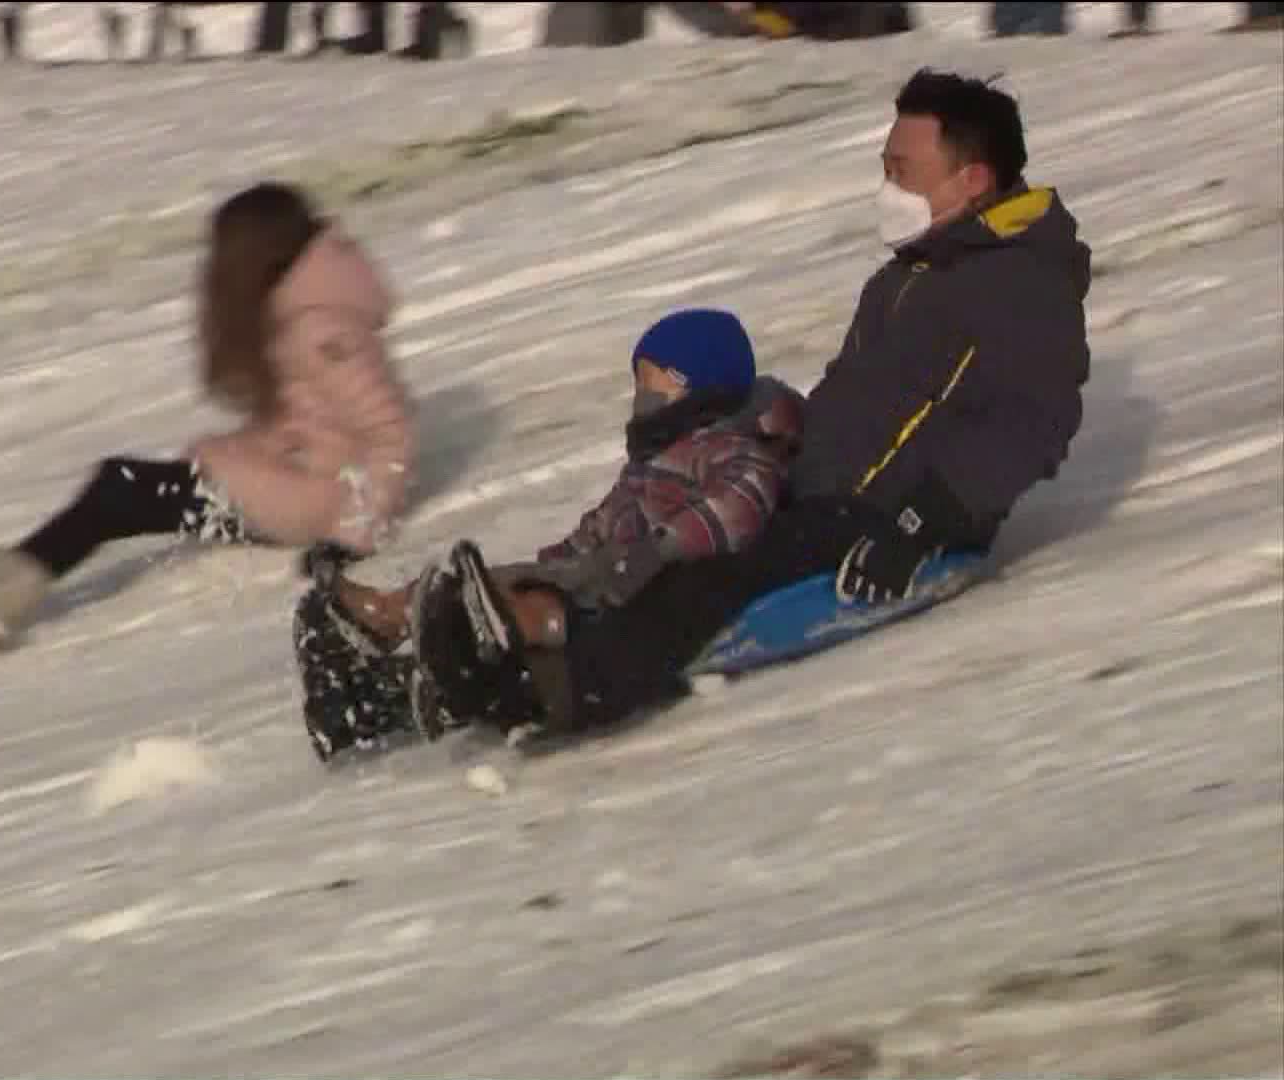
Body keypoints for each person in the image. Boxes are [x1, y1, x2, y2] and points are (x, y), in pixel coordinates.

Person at [410, 68, 1092, 741]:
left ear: (971, 181)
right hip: (815, 486)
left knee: (704, 577)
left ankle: (565, 680)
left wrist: (923, 522)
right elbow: (855, 397)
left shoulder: (1021, 284)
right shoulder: (907, 275)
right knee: (656, 513)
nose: (888, 189)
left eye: (902, 172)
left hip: (886, 514)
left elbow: (1032, 423)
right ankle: (461, 642)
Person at [0, 181, 416, 651]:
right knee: (122, 490)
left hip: (317, 504)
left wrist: (349, 538)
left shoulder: (323, 333)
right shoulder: (302, 314)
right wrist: (251, 451)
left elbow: (391, 435)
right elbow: (308, 426)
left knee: (120, 489)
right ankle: (0, 584)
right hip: (299, 485)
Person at [294, 309, 806, 760]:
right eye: (641, 387)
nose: (644, 401)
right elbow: (605, 520)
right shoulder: (652, 462)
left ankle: (496, 628)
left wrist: (659, 548)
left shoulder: (733, 450)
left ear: (702, 386)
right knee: (527, 576)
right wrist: (566, 552)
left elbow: (735, 508)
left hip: (646, 576)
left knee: (545, 596)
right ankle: (390, 618)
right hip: (609, 564)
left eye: (657, 387)